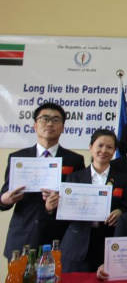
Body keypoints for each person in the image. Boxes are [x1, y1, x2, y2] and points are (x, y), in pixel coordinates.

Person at [0, 103, 85, 259]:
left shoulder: (75, 160)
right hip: (22, 236)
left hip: (58, 238)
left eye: (55, 120)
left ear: (63, 127)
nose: (50, 123)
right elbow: (3, 197)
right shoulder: (18, 158)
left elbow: (78, 199)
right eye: (44, 119)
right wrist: (5, 200)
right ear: (35, 125)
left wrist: (59, 201)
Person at [60, 129, 127, 272]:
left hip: (108, 241)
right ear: (91, 147)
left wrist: (121, 211)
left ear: (114, 151)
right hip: (77, 242)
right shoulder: (74, 178)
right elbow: (65, 211)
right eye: (99, 145)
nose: (104, 150)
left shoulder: (123, 179)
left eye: (109, 147)